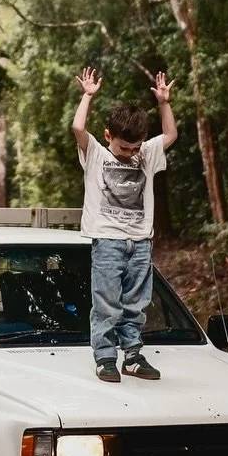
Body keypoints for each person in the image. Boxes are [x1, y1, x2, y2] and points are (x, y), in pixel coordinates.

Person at [71, 65, 177, 382]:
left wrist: (164, 103)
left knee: (136, 303)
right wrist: (88, 96)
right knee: (106, 303)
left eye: (134, 148)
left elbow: (170, 135)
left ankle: (132, 355)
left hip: (141, 242)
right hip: (107, 241)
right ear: (108, 137)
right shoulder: (97, 156)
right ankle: (105, 358)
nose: (130, 154)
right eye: (123, 147)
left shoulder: (145, 153)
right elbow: (78, 128)